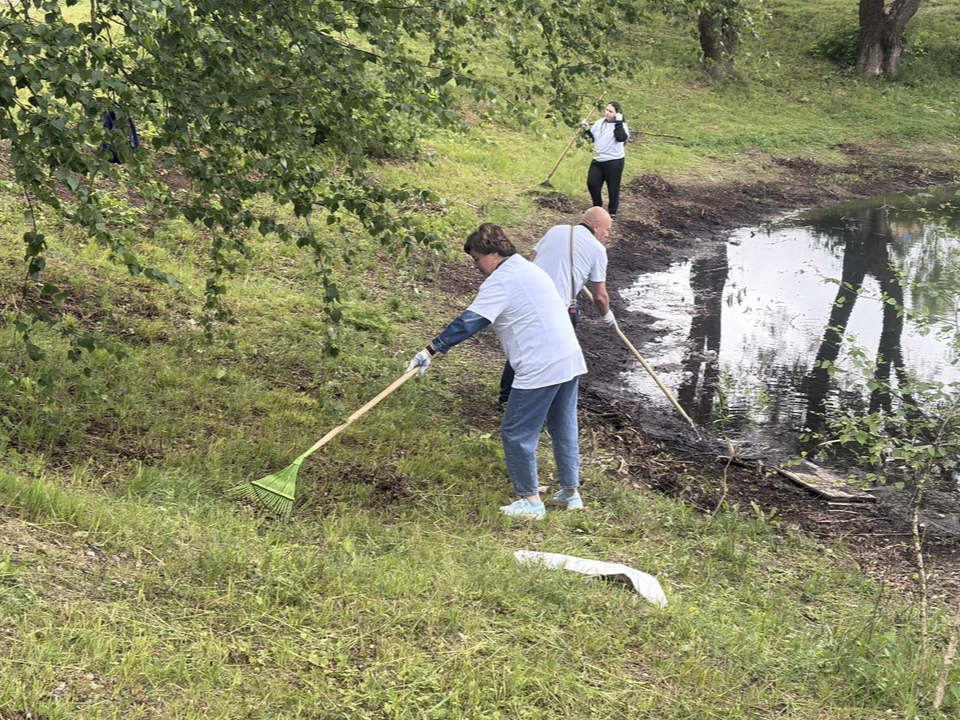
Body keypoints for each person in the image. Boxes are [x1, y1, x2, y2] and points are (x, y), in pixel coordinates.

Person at [407, 223, 587, 519]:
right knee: (563, 427)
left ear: (493, 253)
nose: (476, 266)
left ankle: (530, 501)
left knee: (516, 432)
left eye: (477, 259)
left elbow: (471, 321)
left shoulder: (502, 280)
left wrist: (431, 349)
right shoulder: (528, 269)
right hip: (568, 357)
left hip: (540, 365)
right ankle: (570, 494)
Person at [497, 206, 617, 406]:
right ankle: (538, 401)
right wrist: (607, 316)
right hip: (556, 308)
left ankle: (506, 398)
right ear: (596, 226)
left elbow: (532, 262)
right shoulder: (597, 250)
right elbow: (600, 296)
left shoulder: (555, 230)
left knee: (524, 346)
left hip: (527, 297)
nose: (607, 235)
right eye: (607, 229)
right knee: (555, 356)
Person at [583, 102, 629, 218]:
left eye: (610, 111)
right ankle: (597, 208)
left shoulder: (622, 126)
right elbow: (591, 139)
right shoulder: (599, 123)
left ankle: (612, 211)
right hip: (598, 160)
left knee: (613, 187)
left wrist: (618, 122)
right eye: (606, 110)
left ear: (617, 114)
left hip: (614, 161)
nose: (607, 113)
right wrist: (586, 130)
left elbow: (621, 138)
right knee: (592, 184)